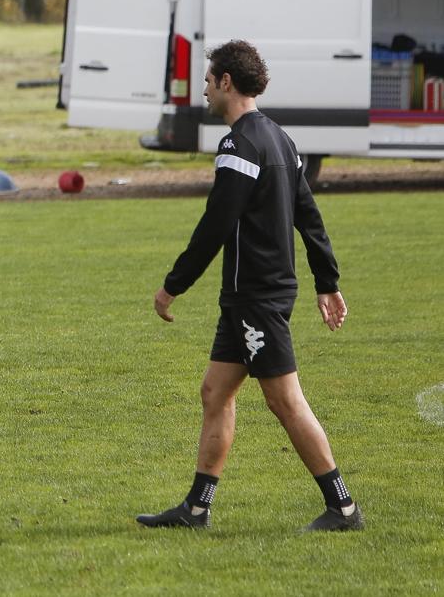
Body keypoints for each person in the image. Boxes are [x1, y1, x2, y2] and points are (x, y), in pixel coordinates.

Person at [137, 40, 362, 532]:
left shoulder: (240, 145)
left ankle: (343, 507)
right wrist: (327, 281)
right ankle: (196, 508)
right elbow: (309, 214)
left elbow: (217, 222)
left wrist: (173, 285)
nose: (203, 89)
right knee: (215, 392)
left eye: (208, 79)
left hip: (256, 297)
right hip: (253, 295)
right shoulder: (280, 138)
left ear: (226, 83)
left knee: (284, 400)